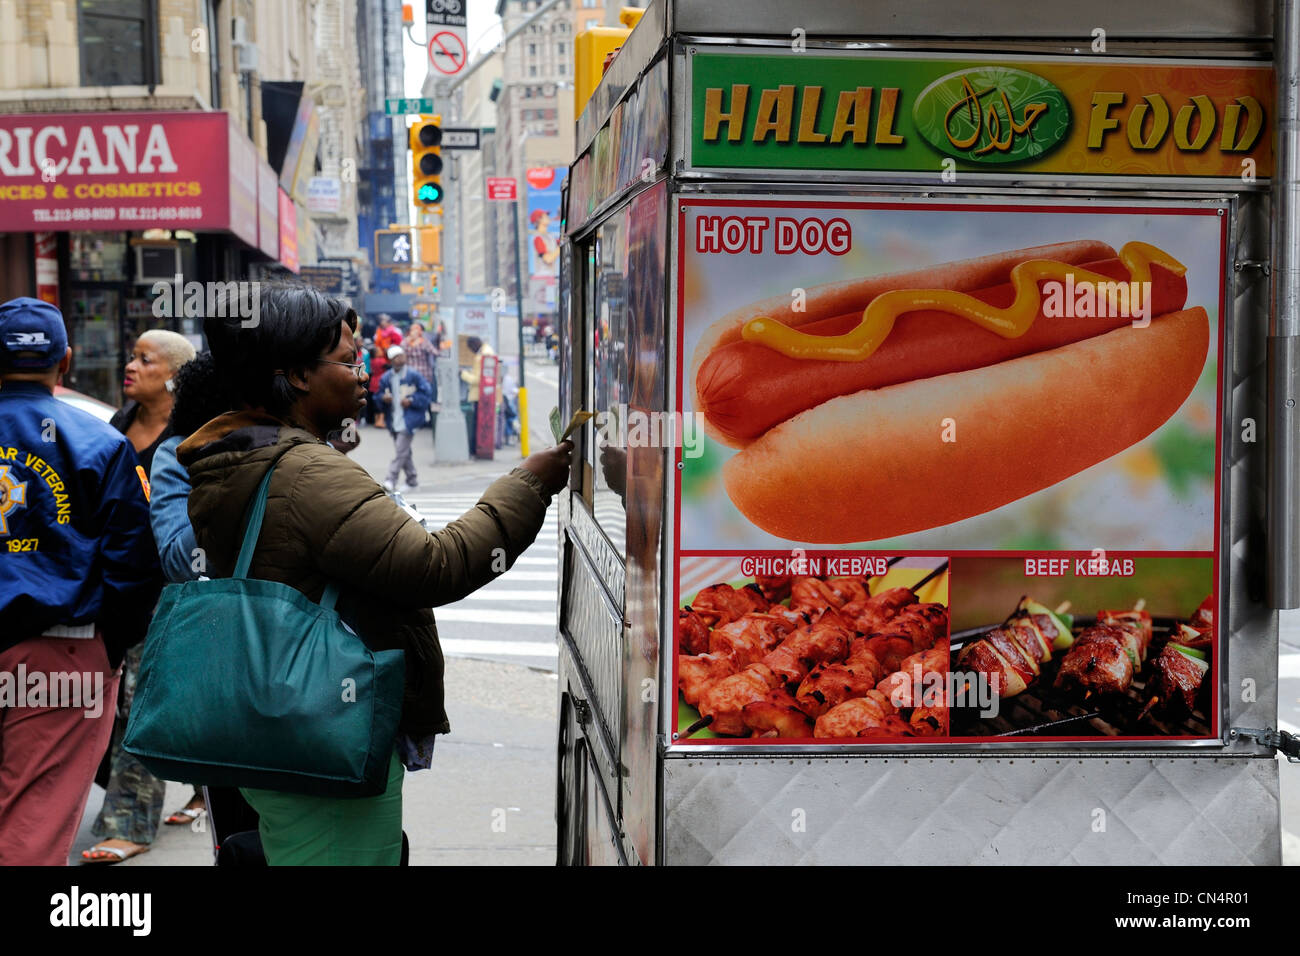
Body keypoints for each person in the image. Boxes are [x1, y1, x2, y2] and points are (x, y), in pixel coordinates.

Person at [183, 285, 572, 865]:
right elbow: (433, 565)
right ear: (294, 375)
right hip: (324, 740)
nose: (365, 374)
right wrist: (529, 483)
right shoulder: (306, 471)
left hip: (282, 726)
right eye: (347, 361)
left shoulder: (252, 453)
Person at [0, 297, 161, 866]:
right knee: (32, 823)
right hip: (61, 654)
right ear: (65, 362)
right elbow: (134, 566)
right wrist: (106, 651)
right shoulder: (100, 443)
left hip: (59, 648)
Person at [83, 328, 196, 862]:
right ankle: (208, 783)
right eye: (131, 356)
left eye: (143, 359)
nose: (130, 366)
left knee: (139, 703)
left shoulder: (191, 439)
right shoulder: (116, 429)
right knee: (107, 703)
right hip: (113, 588)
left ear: (172, 374)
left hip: (171, 594)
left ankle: (130, 822)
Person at [378, 345, 433, 491]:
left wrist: (412, 400)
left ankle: (390, 479)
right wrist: (383, 398)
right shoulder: (386, 378)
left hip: (409, 419)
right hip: (393, 420)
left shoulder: (413, 375)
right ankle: (412, 481)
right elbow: (377, 396)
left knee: (401, 451)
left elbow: (426, 392)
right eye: (396, 356)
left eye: (401, 355)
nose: (401, 358)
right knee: (404, 452)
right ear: (391, 360)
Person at [460, 336, 498, 457]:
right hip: (484, 395)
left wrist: (463, 374)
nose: (471, 351)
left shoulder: (483, 355)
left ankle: (475, 449)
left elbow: (478, 380)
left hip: (479, 396)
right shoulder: (486, 351)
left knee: (477, 424)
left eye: (470, 347)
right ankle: (476, 449)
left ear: (475, 344)